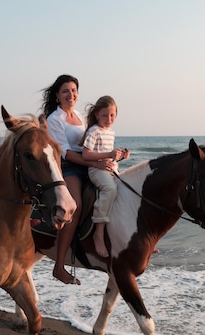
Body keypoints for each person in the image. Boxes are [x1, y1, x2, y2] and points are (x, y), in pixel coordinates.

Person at [41, 75, 114, 285]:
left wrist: (107, 156)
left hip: (89, 162)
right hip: (69, 167)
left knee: (115, 190)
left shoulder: (80, 116)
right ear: (57, 95)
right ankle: (59, 266)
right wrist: (95, 163)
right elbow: (67, 154)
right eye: (65, 91)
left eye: (74, 90)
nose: (70, 95)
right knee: (76, 205)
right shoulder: (55, 119)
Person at [81, 96, 129, 258]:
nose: (109, 119)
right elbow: (86, 154)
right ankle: (98, 232)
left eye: (112, 115)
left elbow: (109, 156)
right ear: (96, 115)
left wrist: (120, 156)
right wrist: (109, 154)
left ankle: (125, 233)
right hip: (96, 170)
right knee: (110, 189)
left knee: (127, 190)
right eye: (105, 116)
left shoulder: (110, 132)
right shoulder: (94, 131)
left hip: (110, 168)